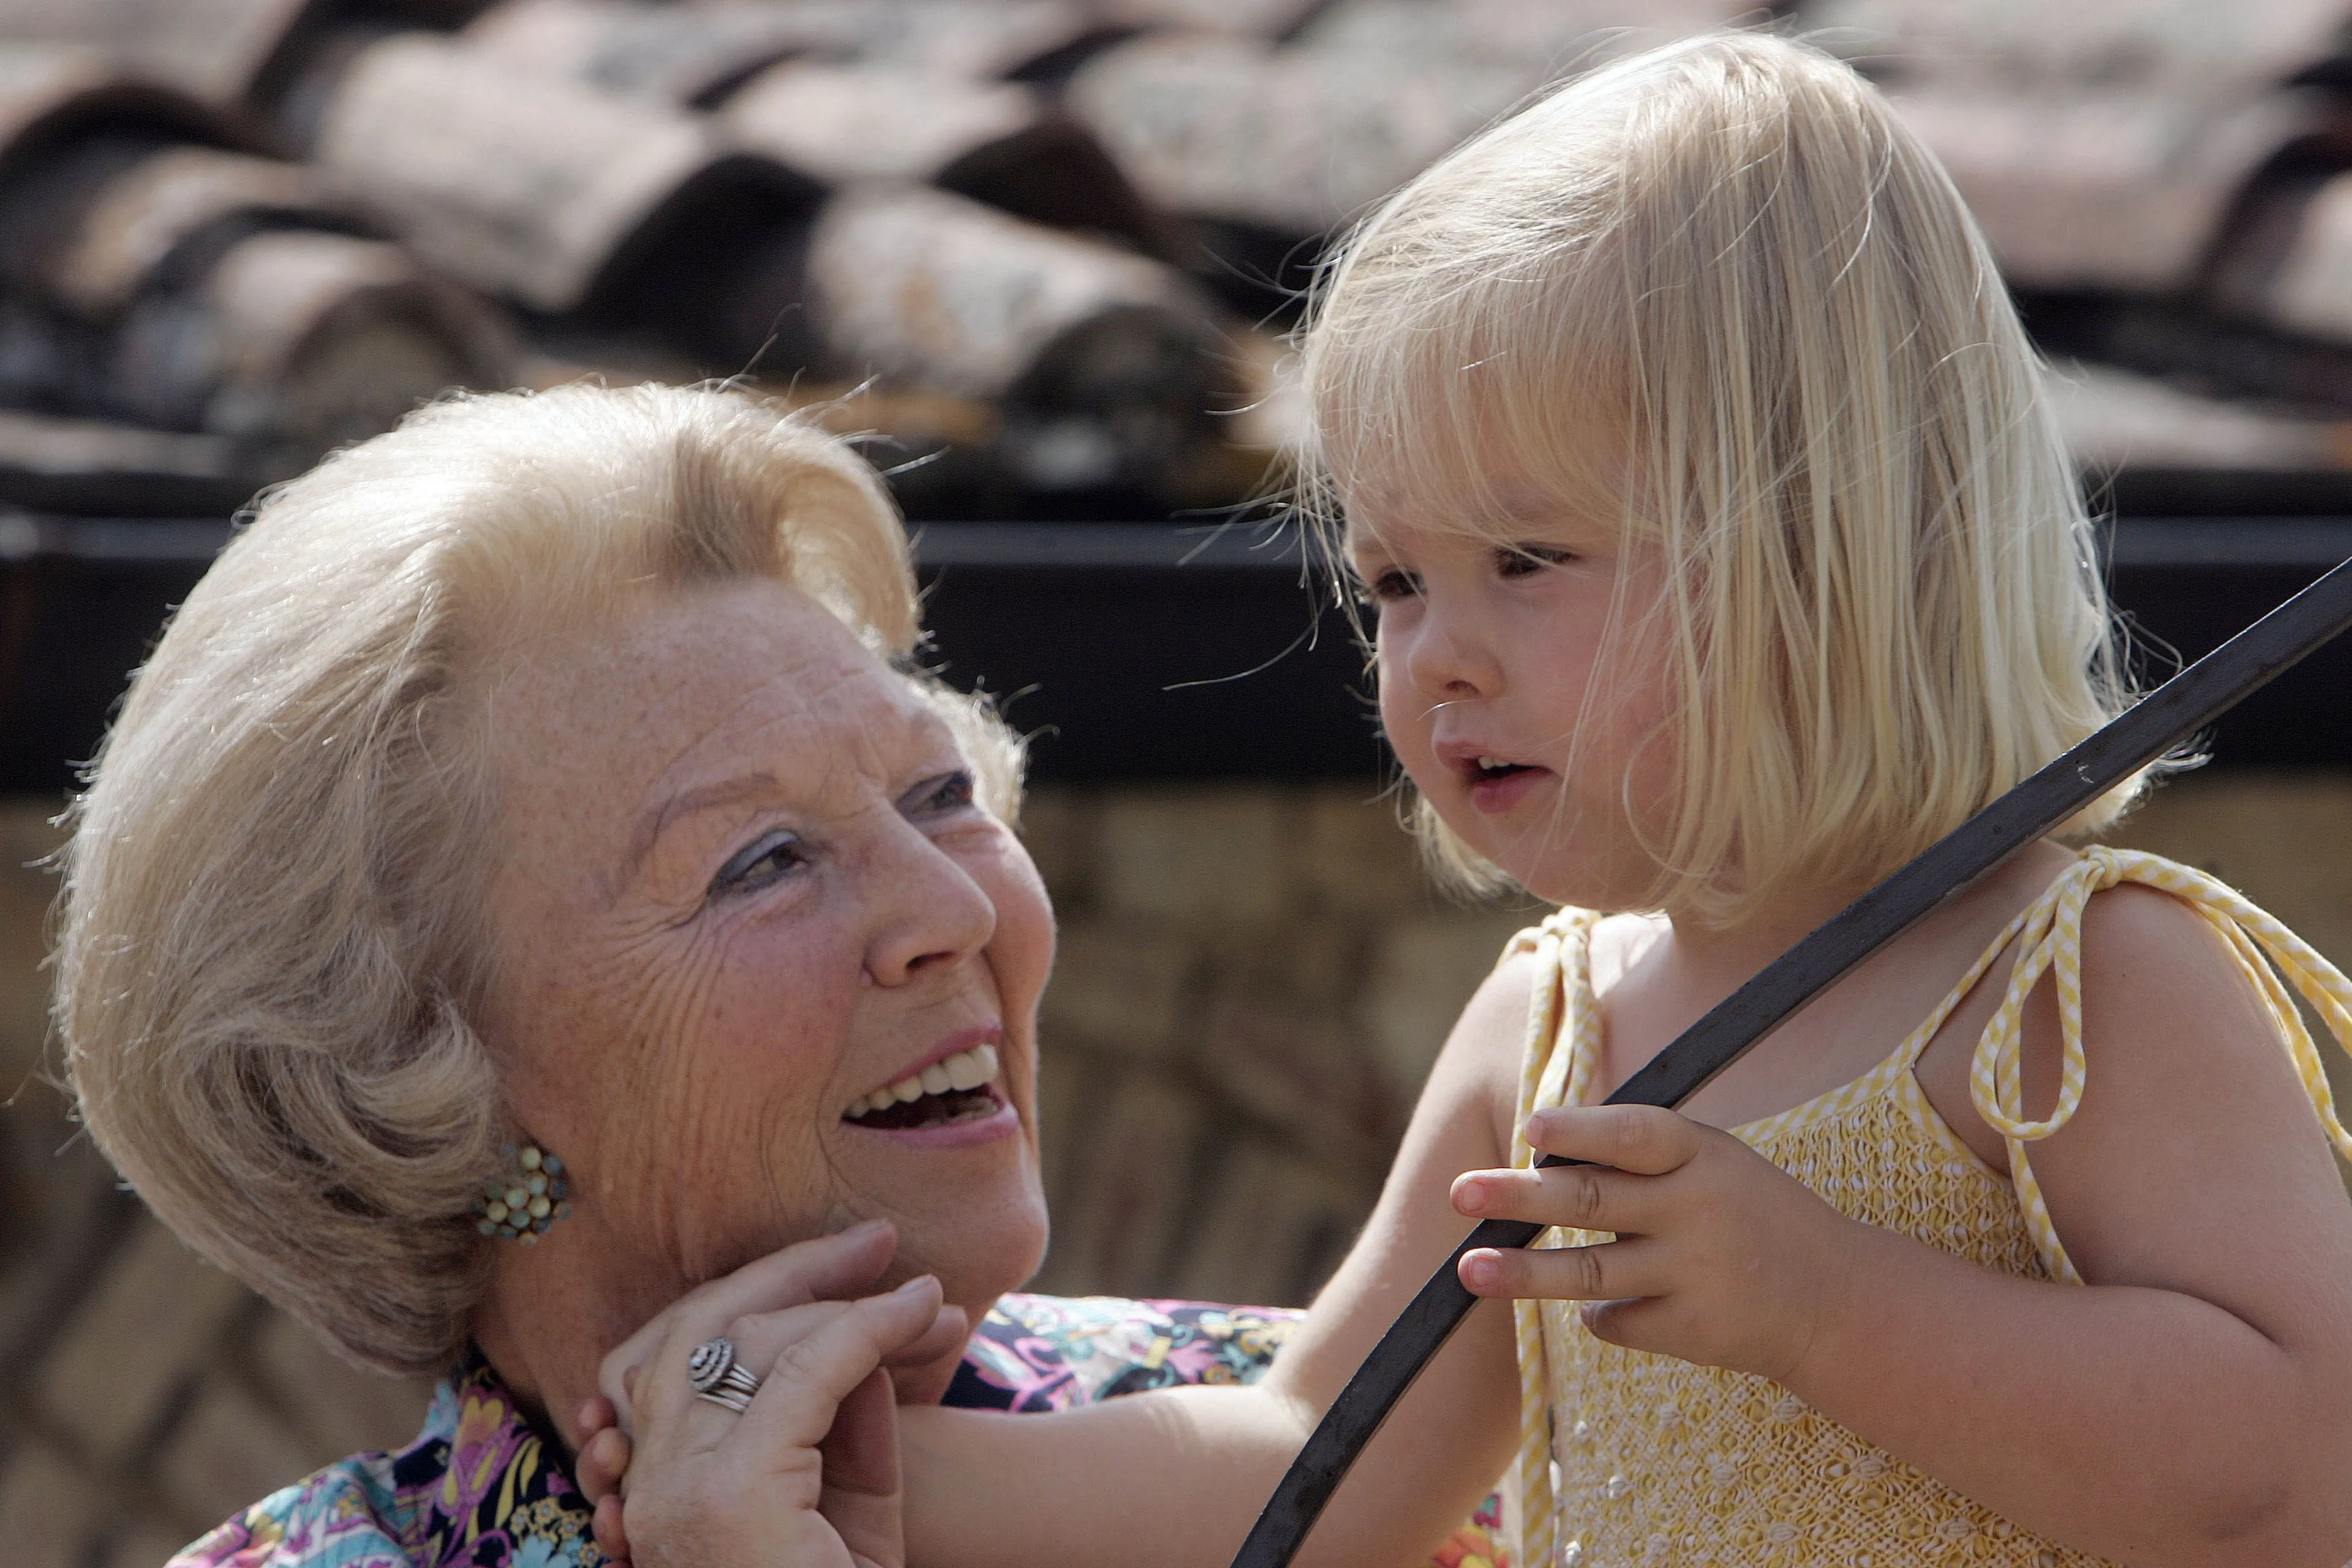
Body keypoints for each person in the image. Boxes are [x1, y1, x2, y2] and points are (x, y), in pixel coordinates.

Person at [592, 32, 2352, 1568]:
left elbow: (2302, 1480)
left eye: (1526, 558)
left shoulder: (2080, 992)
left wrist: (1829, 1305)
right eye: (1394, 583)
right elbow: (1308, 1470)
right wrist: (855, 1477)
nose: (1438, 657)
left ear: (1830, 556)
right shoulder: (1554, 1025)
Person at [55, 382, 1510, 1568]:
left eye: (940, 792)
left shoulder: (1365, 1459)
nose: (948, 903)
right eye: (763, 861)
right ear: (421, 1082)